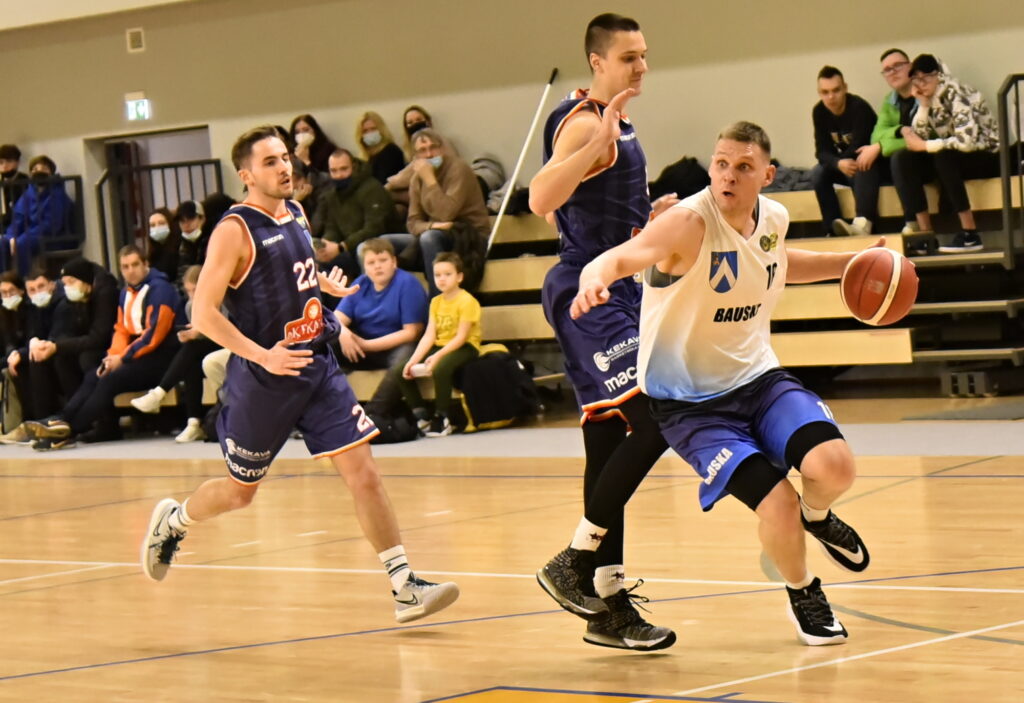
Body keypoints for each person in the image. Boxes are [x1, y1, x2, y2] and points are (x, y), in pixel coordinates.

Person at [139, 126, 459, 624]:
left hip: (317, 365)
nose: (284, 167)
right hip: (264, 379)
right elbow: (203, 314)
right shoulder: (233, 230)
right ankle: (174, 521)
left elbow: (289, 276)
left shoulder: (296, 212)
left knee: (365, 473)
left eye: (285, 157)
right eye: (270, 161)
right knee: (240, 492)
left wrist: (324, 286)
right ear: (246, 175)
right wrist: (263, 356)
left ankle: (404, 587)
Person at [570, 121, 872, 646]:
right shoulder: (688, 222)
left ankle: (818, 515)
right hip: (692, 406)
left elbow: (778, 263)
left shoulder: (772, 217)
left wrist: (851, 262)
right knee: (776, 504)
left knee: (834, 466)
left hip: (758, 380)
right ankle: (803, 590)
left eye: (743, 167)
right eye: (721, 164)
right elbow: (621, 257)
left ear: (767, 176)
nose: (728, 176)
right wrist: (595, 279)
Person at [530, 13, 678, 651]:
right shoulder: (589, 122)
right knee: (660, 413)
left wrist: (649, 218)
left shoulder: (609, 118)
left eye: (643, 54)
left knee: (607, 439)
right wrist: (595, 145)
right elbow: (541, 198)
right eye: (628, 57)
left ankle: (609, 605)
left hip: (616, 286)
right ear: (597, 62)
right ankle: (574, 558)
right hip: (588, 292)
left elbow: (586, 207)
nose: (641, 65)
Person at [23, 245, 182, 449]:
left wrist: (122, 358)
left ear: (146, 264)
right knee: (95, 374)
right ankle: (60, 421)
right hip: (136, 356)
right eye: (125, 266)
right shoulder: (126, 293)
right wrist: (112, 356)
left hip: (163, 357)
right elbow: (121, 330)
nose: (130, 271)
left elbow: (153, 336)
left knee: (110, 380)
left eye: (135, 265)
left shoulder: (160, 290)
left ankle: (70, 430)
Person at [899, 54, 1000, 253]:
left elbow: (966, 142)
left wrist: (926, 146)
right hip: (957, 155)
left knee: (944, 157)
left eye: (926, 77)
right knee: (904, 159)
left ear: (938, 75)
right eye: (916, 79)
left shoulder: (956, 92)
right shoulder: (929, 97)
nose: (921, 84)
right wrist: (923, 106)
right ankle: (925, 235)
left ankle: (970, 234)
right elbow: (918, 139)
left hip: (987, 153)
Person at [382, 129, 489, 297]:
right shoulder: (417, 178)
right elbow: (413, 223)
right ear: (415, 157)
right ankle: (385, 303)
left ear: (442, 148)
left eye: (433, 148)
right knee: (382, 243)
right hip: (438, 232)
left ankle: (438, 301)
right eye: (422, 151)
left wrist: (430, 180)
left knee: (429, 238)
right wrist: (434, 225)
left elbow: (446, 213)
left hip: (469, 234)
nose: (429, 154)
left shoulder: (459, 169)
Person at [334, 238, 428, 416]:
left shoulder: (407, 284)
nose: (377, 266)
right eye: (371, 263)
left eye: (383, 260)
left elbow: (412, 332)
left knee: (405, 357)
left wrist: (368, 345)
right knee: (324, 342)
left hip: (396, 346)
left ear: (394, 262)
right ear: (365, 267)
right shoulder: (360, 283)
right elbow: (336, 318)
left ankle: (372, 415)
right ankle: (325, 413)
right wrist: (343, 333)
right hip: (362, 349)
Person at [391, 252, 479, 437]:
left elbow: (461, 337)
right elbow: (429, 335)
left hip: (465, 346)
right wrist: (412, 360)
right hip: (441, 345)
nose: (442, 279)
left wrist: (438, 355)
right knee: (401, 370)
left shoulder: (467, 301)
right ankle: (421, 416)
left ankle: (442, 417)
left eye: (447, 274)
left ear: (459, 277)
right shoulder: (435, 302)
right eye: (437, 275)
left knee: (441, 368)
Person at [130, 265, 222, 442]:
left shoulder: (221, 300)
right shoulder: (190, 306)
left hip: (228, 345)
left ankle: (158, 394)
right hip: (205, 349)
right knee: (191, 361)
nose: (192, 295)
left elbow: (226, 331)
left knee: (192, 348)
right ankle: (193, 422)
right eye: (188, 291)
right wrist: (191, 334)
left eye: (195, 290)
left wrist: (199, 333)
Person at [810, 66, 882, 237]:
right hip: (843, 164)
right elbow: (821, 151)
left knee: (859, 166)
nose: (831, 97)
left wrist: (841, 162)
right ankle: (833, 228)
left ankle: (865, 225)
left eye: (836, 90)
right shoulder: (819, 111)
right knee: (817, 173)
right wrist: (838, 163)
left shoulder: (859, 108)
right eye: (825, 92)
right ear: (819, 93)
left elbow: (860, 144)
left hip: (869, 163)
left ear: (845, 88)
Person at [315, 148, 396, 282]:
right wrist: (326, 245)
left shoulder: (371, 188)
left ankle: (367, 293)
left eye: (344, 169)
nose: (339, 175)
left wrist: (341, 247)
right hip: (348, 248)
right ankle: (338, 295)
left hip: (380, 243)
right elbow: (332, 227)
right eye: (334, 171)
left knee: (363, 249)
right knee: (314, 261)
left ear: (354, 167)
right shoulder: (332, 194)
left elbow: (374, 228)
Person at [862, 49, 919, 236]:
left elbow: (921, 138)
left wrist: (880, 146)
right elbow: (876, 136)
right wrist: (896, 131)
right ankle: (863, 223)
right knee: (865, 157)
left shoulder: (923, 93)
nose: (893, 72)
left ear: (910, 66)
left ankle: (912, 222)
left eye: (897, 66)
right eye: (887, 70)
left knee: (899, 157)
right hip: (900, 164)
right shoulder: (890, 100)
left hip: (924, 160)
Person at [2, 267, 63, 431]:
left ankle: (38, 420)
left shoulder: (34, 309)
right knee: (16, 364)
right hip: (21, 354)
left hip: (48, 350)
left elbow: (37, 336)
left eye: (11, 291)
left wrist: (17, 354)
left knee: (28, 362)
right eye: (3, 293)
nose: (8, 296)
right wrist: (12, 354)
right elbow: (8, 342)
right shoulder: (4, 314)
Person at [0, 156, 74, 275]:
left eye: (44, 169)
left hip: (54, 236)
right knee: (3, 242)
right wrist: (11, 236)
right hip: (31, 234)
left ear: (51, 173)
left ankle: (23, 279)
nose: (39, 171)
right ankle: (4, 280)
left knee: (22, 243)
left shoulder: (57, 193)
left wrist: (23, 236)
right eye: (35, 169)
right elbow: (18, 218)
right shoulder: (28, 193)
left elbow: (51, 225)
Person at [355, 111, 406, 186]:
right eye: (365, 131)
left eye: (373, 129)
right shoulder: (363, 157)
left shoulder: (391, 151)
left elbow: (383, 182)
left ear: (381, 130)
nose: (369, 133)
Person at [146, 207, 181, 283]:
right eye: (152, 225)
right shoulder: (152, 253)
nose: (157, 228)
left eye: (161, 223)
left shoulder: (180, 247)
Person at [0, 144, 29, 231]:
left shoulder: (26, 181)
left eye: (9, 161)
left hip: (21, 226)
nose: (4, 166)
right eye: (1, 162)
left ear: (17, 162)